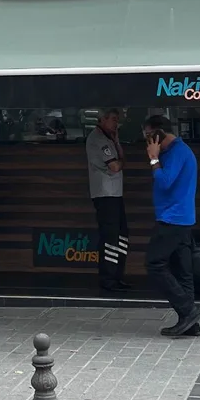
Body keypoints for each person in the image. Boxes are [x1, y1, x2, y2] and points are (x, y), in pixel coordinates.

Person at [143, 115, 200, 337]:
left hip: (172, 219)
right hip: (180, 217)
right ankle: (190, 324)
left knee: (154, 263)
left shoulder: (177, 152)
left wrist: (153, 159)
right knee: (182, 271)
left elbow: (165, 182)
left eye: (149, 136)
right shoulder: (175, 151)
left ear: (158, 134)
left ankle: (188, 311)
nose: (147, 141)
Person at [85, 108, 129, 291]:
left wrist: (117, 141)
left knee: (121, 235)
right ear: (102, 119)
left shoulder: (109, 138)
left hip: (115, 193)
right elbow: (115, 166)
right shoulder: (98, 139)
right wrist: (122, 160)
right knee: (110, 237)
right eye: (113, 119)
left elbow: (120, 160)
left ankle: (117, 275)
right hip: (105, 194)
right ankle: (108, 279)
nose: (116, 123)